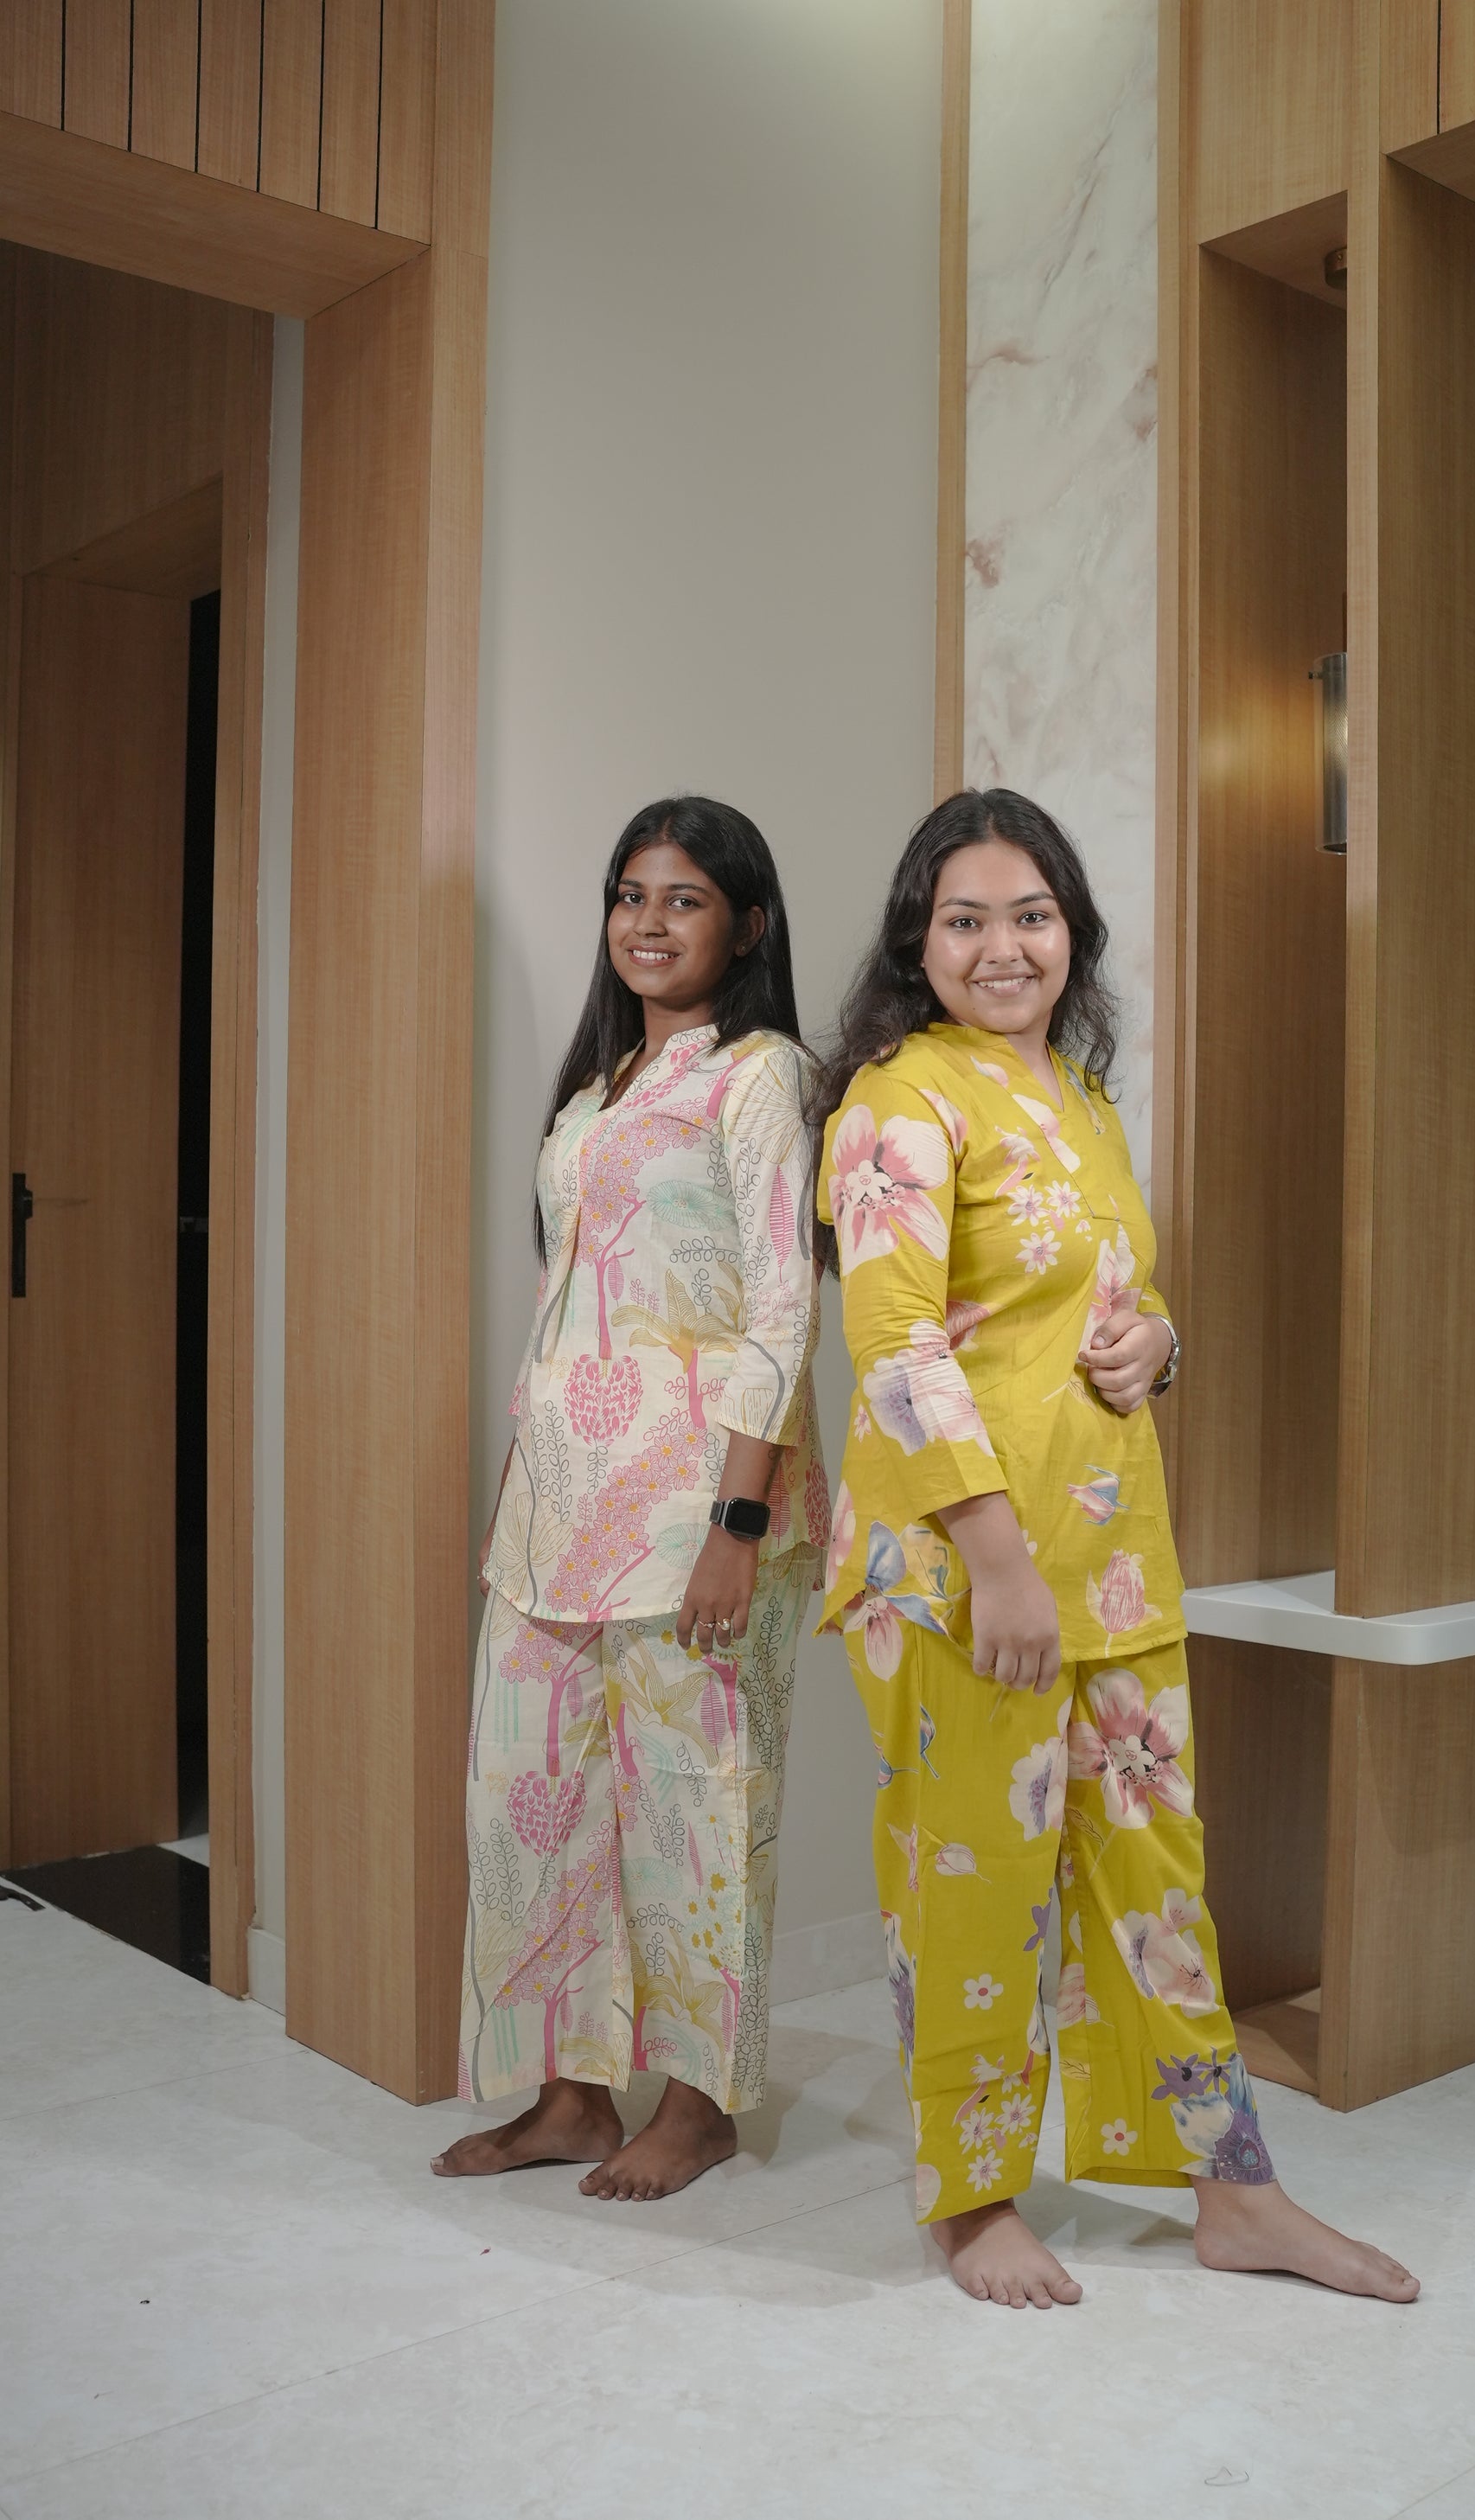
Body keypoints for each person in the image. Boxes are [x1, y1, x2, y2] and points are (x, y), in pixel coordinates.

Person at [813, 787, 1419, 2308]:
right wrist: (998, 1561)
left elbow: (1104, 1308)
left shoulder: (1080, 1095)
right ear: (916, 941)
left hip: (1115, 1553)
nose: (1001, 946)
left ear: (1070, 932)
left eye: (1030, 915)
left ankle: (1232, 2187)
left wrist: (1162, 1342)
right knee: (974, 1879)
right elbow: (894, 1347)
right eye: (964, 918)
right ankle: (970, 2199)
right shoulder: (896, 1097)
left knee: (1156, 1875)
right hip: (965, 1569)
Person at [434, 796, 826, 2201]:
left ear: (748, 925)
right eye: (629, 895)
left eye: (684, 898)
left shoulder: (761, 1076)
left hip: (692, 1511)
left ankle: (698, 2103)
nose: (647, 922)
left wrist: (737, 1522)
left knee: (693, 1806)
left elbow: (783, 1309)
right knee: (532, 1800)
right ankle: (570, 2095)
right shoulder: (597, 1089)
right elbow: (567, 1296)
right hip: (556, 1507)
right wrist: (519, 1475)